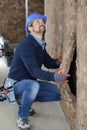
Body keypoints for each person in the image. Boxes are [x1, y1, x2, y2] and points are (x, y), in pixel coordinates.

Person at [4, 13, 68, 130]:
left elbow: (48, 63)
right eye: (37, 21)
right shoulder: (26, 46)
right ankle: (22, 117)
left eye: (42, 21)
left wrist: (59, 61)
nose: (41, 23)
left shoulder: (40, 45)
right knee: (32, 85)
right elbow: (34, 72)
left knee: (57, 94)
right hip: (13, 85)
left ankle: (25, 100)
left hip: (28, 83)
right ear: (30, 28)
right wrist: (56, 77)